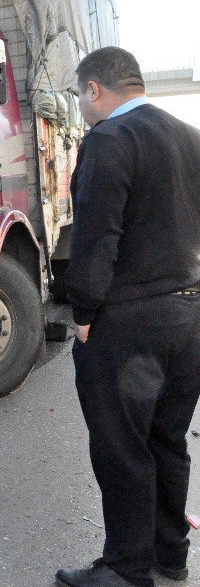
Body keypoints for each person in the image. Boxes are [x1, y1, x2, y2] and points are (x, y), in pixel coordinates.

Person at [56, 46, 200, 587]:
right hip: (190, 313)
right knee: (167, 439)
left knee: (122, 446)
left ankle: (124, 568)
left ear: (95, 89)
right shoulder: (190, 136)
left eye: (79, 95)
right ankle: (171, 554)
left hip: (131, 321)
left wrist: (84, 311)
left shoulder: (111, 140)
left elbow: (97, 235)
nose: (81, 107)